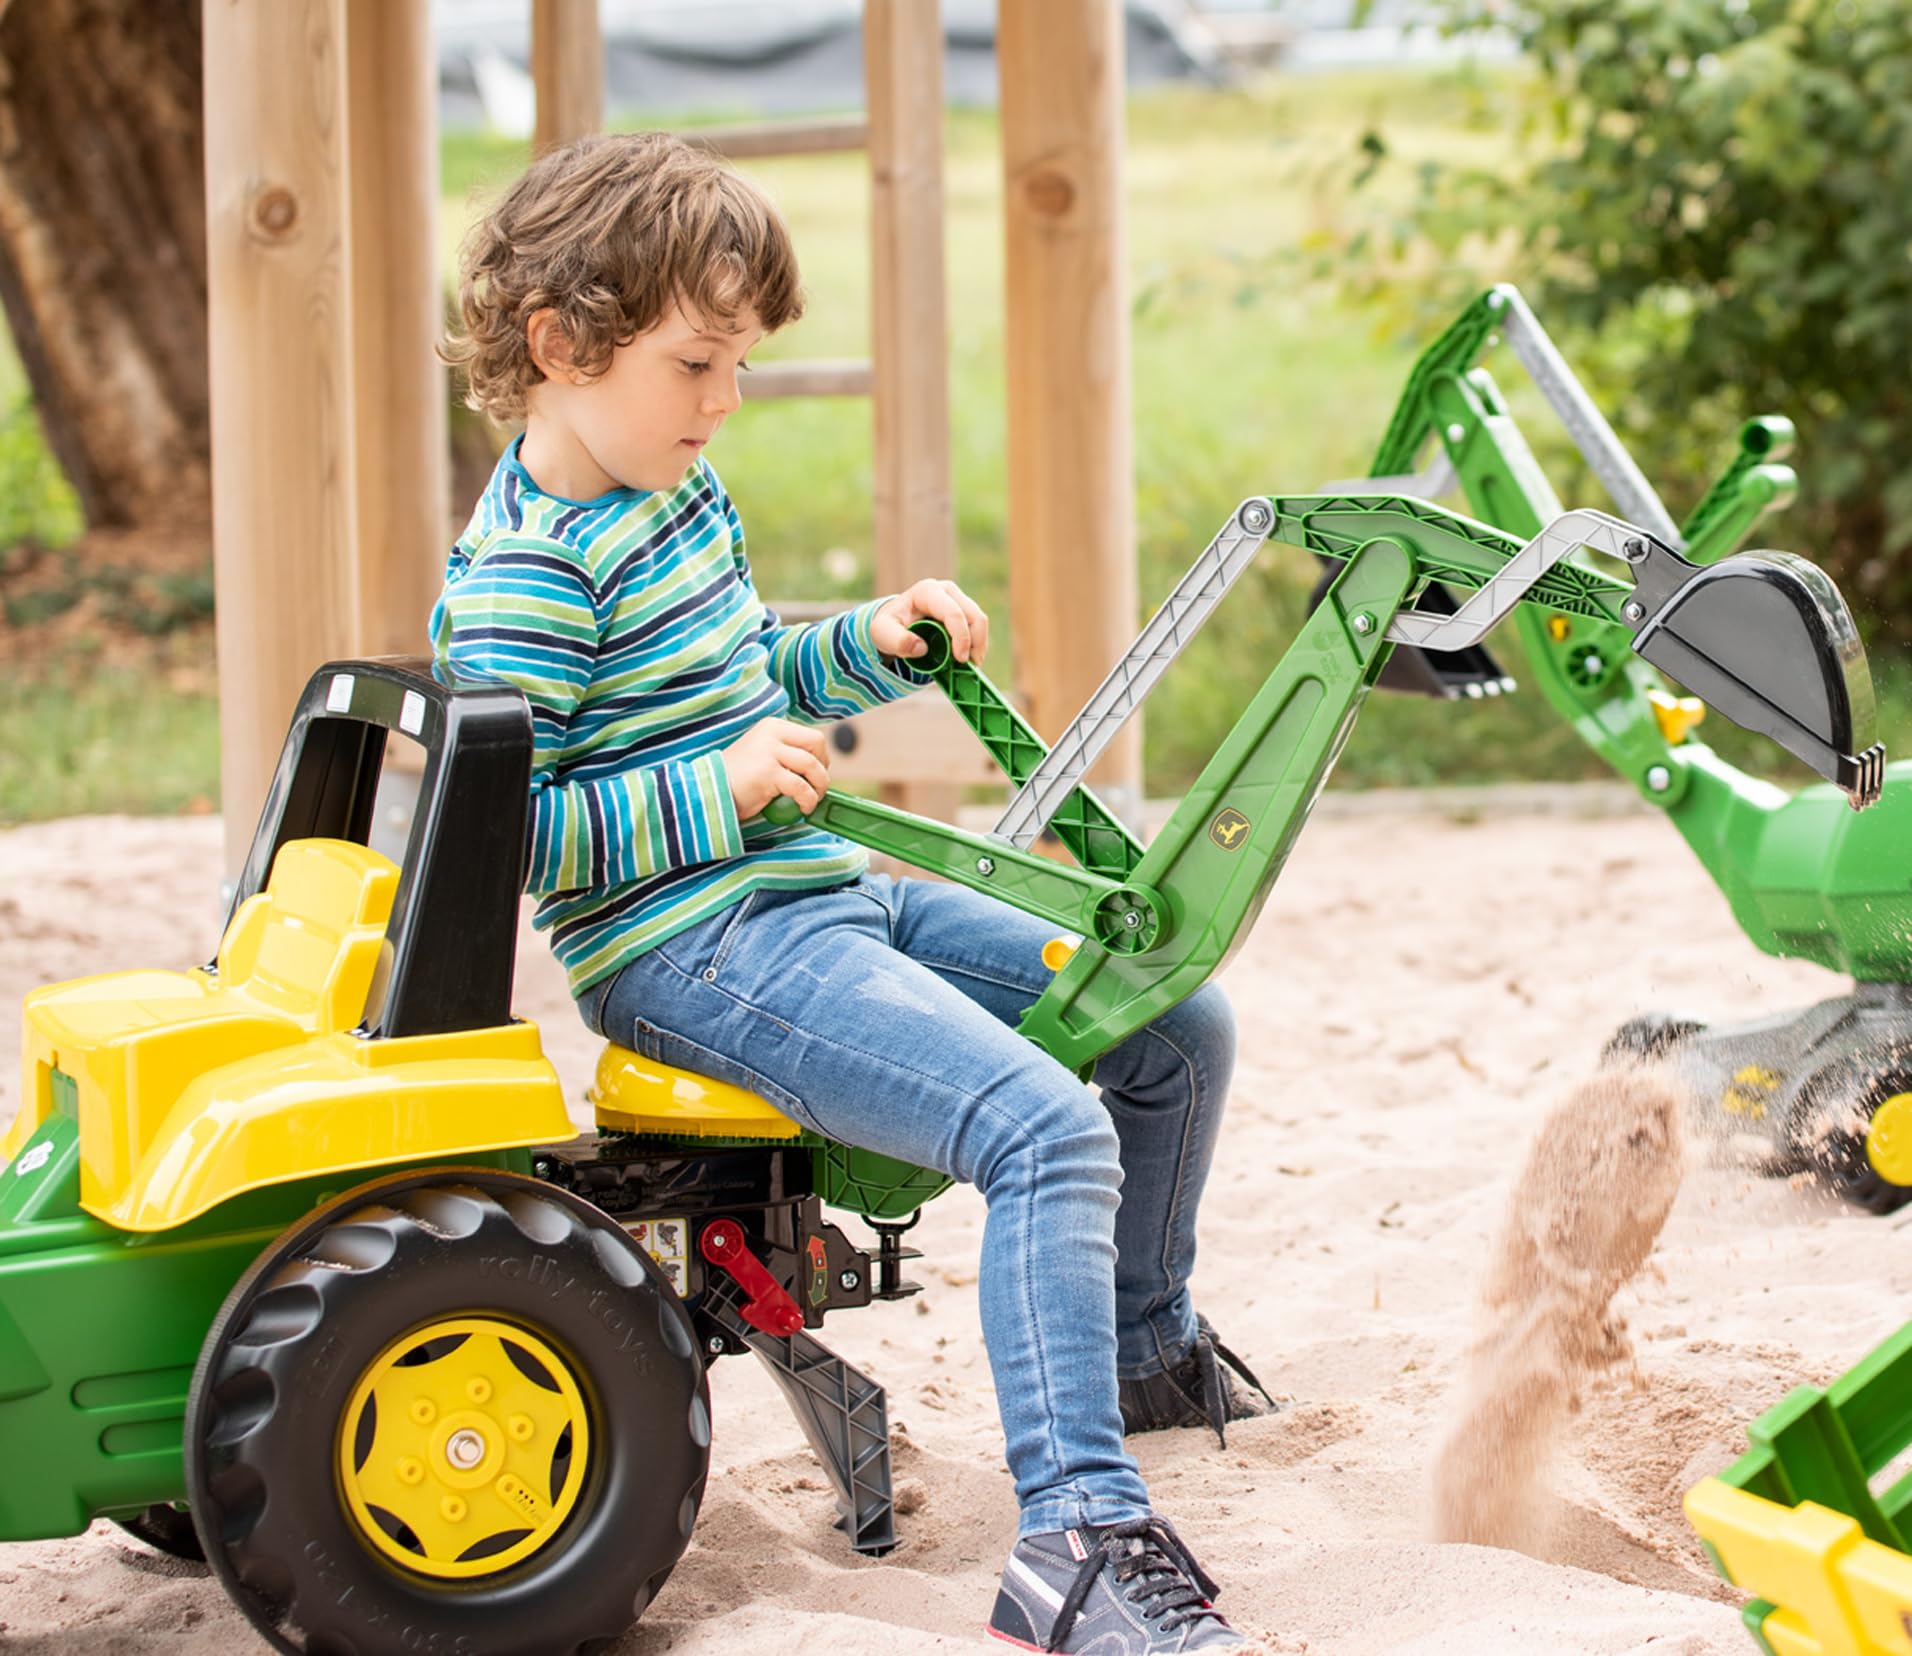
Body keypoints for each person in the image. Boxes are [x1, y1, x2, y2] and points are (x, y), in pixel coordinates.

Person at [435, 131, 1273, 1655]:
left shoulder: (668, 494)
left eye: (739, 364)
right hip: (691, 948)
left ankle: (1142, 1354)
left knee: (1169, 1023)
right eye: (698, 364)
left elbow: (747, 667)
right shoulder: (525, 573)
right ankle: (1077, 1541)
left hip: (815, 901)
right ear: (560, 345)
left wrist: (866, 645)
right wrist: (719, 792)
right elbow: (507, 839)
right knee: (1043, 1126)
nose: (726, 401)